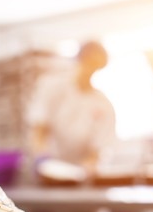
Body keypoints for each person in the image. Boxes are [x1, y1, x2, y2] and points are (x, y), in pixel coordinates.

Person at [27, 40, 116, 181]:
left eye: (96, 65)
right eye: (89, 62)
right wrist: (41, 158)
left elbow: (98, 149)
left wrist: (88, 166)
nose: (91, 69)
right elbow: (39, 128)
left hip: (80, 176)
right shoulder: (51, 86)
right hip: (47, 170)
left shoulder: (103, 104)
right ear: (79, 59)